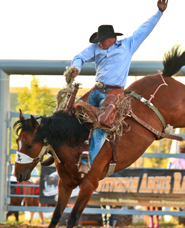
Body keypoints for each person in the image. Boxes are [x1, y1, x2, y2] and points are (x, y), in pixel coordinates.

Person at [68, 0, 169, 176]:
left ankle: (87, 161)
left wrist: (159, 13)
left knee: (103, 121)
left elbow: (144, 30)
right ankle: (59, 151)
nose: (99, 44)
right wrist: (76, 67)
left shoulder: (127, 45)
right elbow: (80, 56)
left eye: (102, 40)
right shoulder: (95, 48)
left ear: (112, 39)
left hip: (114, 93)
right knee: (71, 110)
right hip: (97, 89)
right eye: (98, 41)